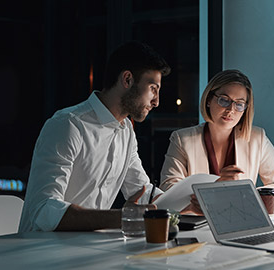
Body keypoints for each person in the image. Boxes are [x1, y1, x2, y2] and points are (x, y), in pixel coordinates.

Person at [19, 41, 171, 232]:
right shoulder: (68, 124)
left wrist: (192, 201)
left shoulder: (126, 132)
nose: (156, 102)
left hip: (90, 248)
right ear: (127, 80)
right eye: (153, 89)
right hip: (42, 250)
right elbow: (43, 210)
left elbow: (142, 192)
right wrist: (123, 217)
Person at [159, 69, 274, 201]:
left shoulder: (257, 138)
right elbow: (168, 189)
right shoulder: (182, 139)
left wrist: (248, 194)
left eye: (239, 104)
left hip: (241, 220)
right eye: (224, 100)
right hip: (198, 220)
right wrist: (214, 187)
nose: (230, 110)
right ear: (209, 100)